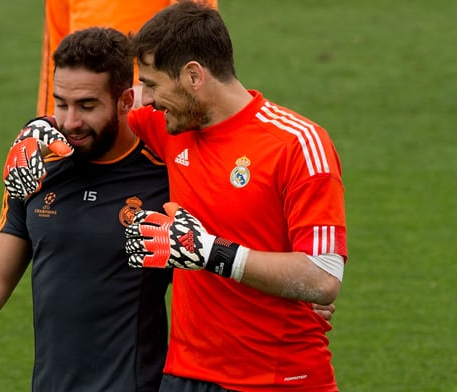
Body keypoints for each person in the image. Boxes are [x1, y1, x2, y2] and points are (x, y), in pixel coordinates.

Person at [0, 27, 172, 391]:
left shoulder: (164, 177)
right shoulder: (37, 167)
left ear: (126, 101)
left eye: (87, 105)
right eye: (61, 103)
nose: (70, 122)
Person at [123, 1, 348, 391]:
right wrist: (39, 131)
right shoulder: (171, 126)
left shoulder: (297, 144)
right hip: (185, 376)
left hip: (279, 380)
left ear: (194, 76)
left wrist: (211, 252)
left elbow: (323, 277)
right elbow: (89, 115)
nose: (146, 98)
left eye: (153, 84)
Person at [37, 0, 218, 116]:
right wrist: (49, 120)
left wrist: (149, 90)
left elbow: (194, 32)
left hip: (152, 105)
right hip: (87, 109)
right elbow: (57, 51)